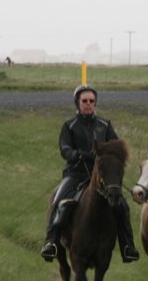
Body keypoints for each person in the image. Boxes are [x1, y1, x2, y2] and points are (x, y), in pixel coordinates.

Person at [40, 84, 141, 263]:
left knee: (122, 206)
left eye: (91, 101)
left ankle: (127, 246)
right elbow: (64, 148)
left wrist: (105, 156)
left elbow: (117, 147)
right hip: (76, 173)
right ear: (78, 103)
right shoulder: (69, 126)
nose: (88, 104)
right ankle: (51, 242)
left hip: (102, 176)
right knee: (58, 200)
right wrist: (77, 154)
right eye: (84, 101)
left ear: (95, 103)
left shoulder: (105, 125)